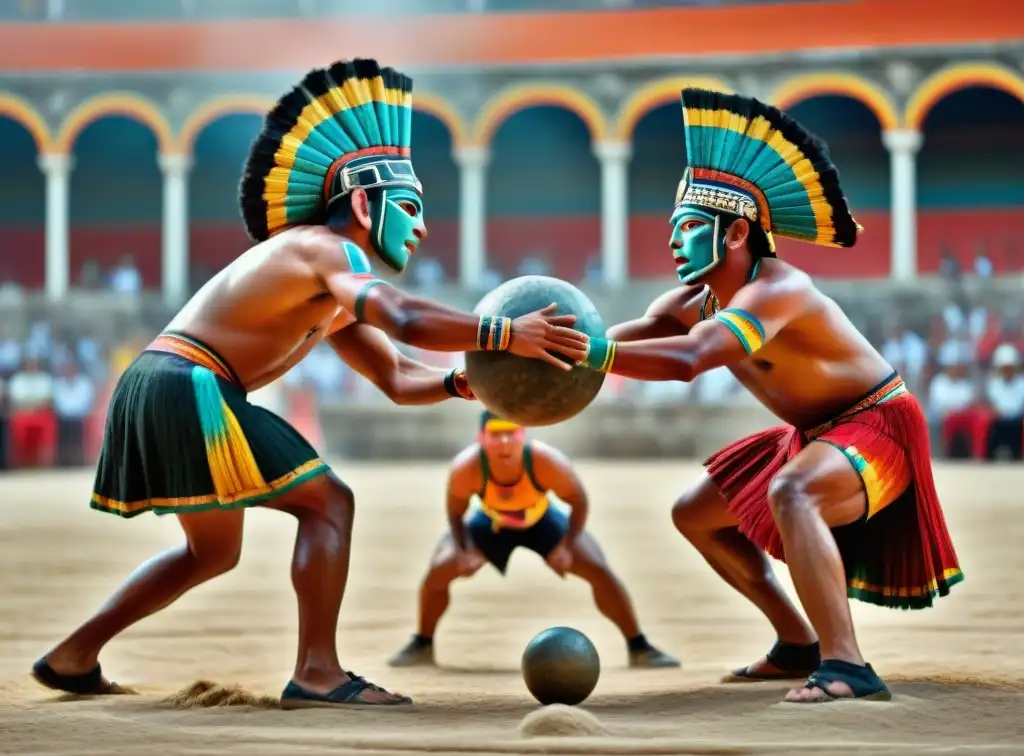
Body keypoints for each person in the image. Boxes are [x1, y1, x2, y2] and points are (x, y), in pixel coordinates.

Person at [32, 59, 588, 709]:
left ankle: (73, 656)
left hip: (164, 382)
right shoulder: (328, 250)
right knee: (330, 503)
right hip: (189, 383)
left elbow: (399, 377)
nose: (421, 227)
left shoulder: (330, 295)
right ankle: (317, 672)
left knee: (210, 554)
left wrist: (467, 381)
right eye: (408, 207)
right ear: (360, 202)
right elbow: (405, 317)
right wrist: (500, 333)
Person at [569, 89, 962, 703]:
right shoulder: (691, 301)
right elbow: (605, 343)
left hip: (877, 424)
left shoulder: (780, 288)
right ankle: (796, 642)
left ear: (736, 233)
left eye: (690, 227)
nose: (673, 242)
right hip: (812, 434)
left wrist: (590, 354)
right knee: (694, 513)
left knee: (793, 490)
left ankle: (847, 666)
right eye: (673, 229)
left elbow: (691, 359)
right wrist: (525, 348)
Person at [388, 411, 680, 669]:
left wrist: (566, 547)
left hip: (542, 519)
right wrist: (464, 551)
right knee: (439, 570)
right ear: (482, 438)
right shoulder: (466, 469)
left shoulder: (546, 462)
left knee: (598, 569)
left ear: (522, 435)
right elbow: (455, 514)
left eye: (510, 434)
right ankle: (422, 643)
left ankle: (639, 646)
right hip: (491, 522)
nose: (504, 443)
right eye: (495, 435)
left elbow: (579, 502)